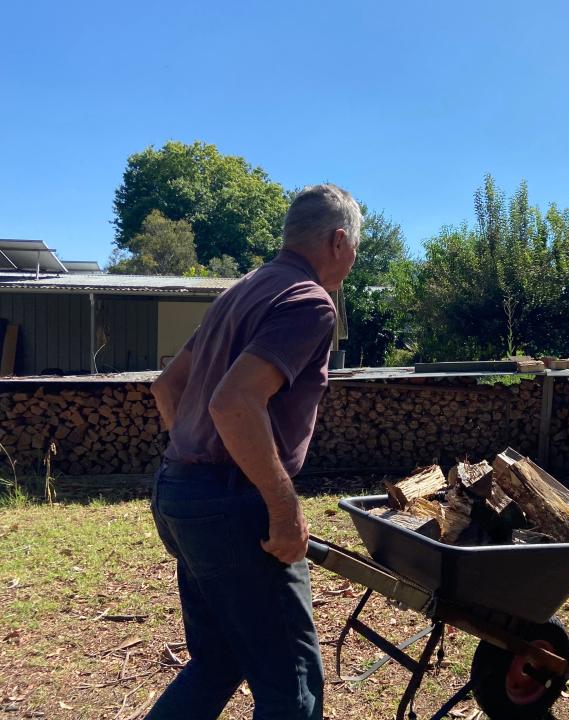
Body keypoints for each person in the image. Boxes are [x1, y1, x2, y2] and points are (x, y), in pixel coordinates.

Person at [145, 184, 362, 720]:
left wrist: (195, 462)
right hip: (235, 507)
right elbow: (235, 402)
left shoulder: (241, 291)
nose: (355, 258)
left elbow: (166, 388)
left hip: (179, 493)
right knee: (292, 687)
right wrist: (282, 506)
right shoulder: (308, 302)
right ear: (338, 241)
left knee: (217, 661)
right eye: (356, 245)